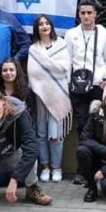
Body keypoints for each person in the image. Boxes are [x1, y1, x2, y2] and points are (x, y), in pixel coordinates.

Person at [64, 0, 106, 156]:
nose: (86, 16)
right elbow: (67, 60)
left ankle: (97, 162)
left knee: (98, 124)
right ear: (78, 15)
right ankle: (83, 165)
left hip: (97, 86)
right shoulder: (71, 34)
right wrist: (68, 82)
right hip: (77, 86)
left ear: (95, 14)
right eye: (83, 13)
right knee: (82, 124)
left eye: (89, 13)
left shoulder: (105, 34)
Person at [27, 14, 72, 183]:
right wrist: (49, 69)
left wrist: (45, 65)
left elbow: (64, 67)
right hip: (40, 95)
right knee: (41, 132)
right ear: (37, 29)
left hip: (58, 95)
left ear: (51, 26)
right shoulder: (33, 49)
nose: (44, 26)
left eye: (47, 23)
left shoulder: (61, 45)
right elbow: (33, 72)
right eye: (41, 24)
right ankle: (45, 166)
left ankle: (57, 167)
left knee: (56, 134)